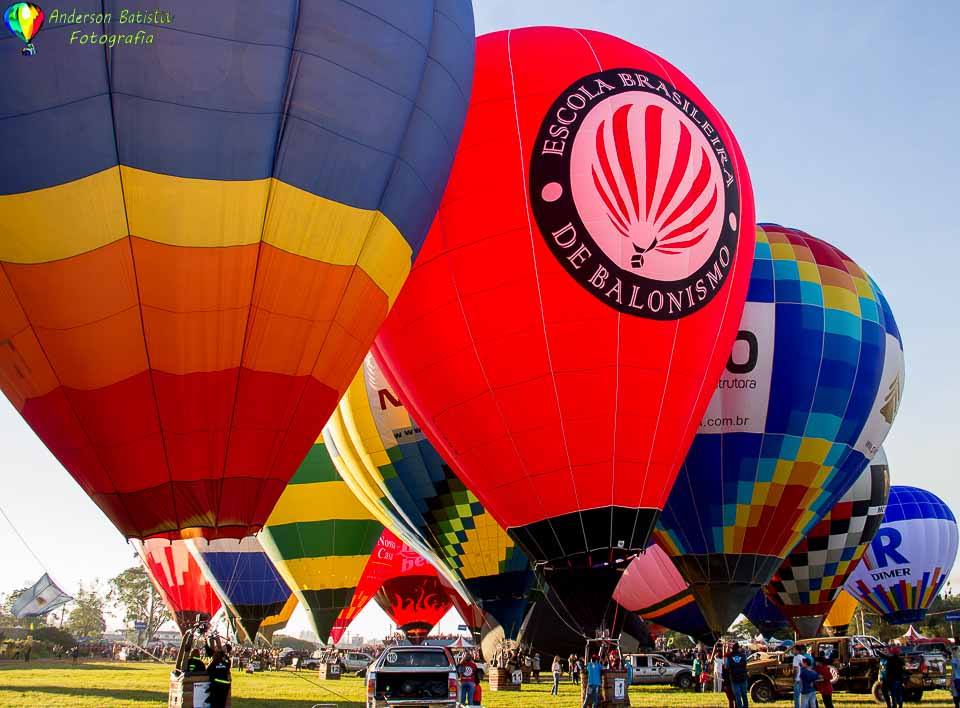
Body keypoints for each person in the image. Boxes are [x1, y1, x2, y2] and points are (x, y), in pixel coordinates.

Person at [725, 643, 749, 708]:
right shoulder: (743, 655)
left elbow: (726, 666)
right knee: (744, 695)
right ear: (738, 648)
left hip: (734, 678)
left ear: (732, 648)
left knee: (737, 696)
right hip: (743, 677)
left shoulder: (729, 656)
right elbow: (746, 665)